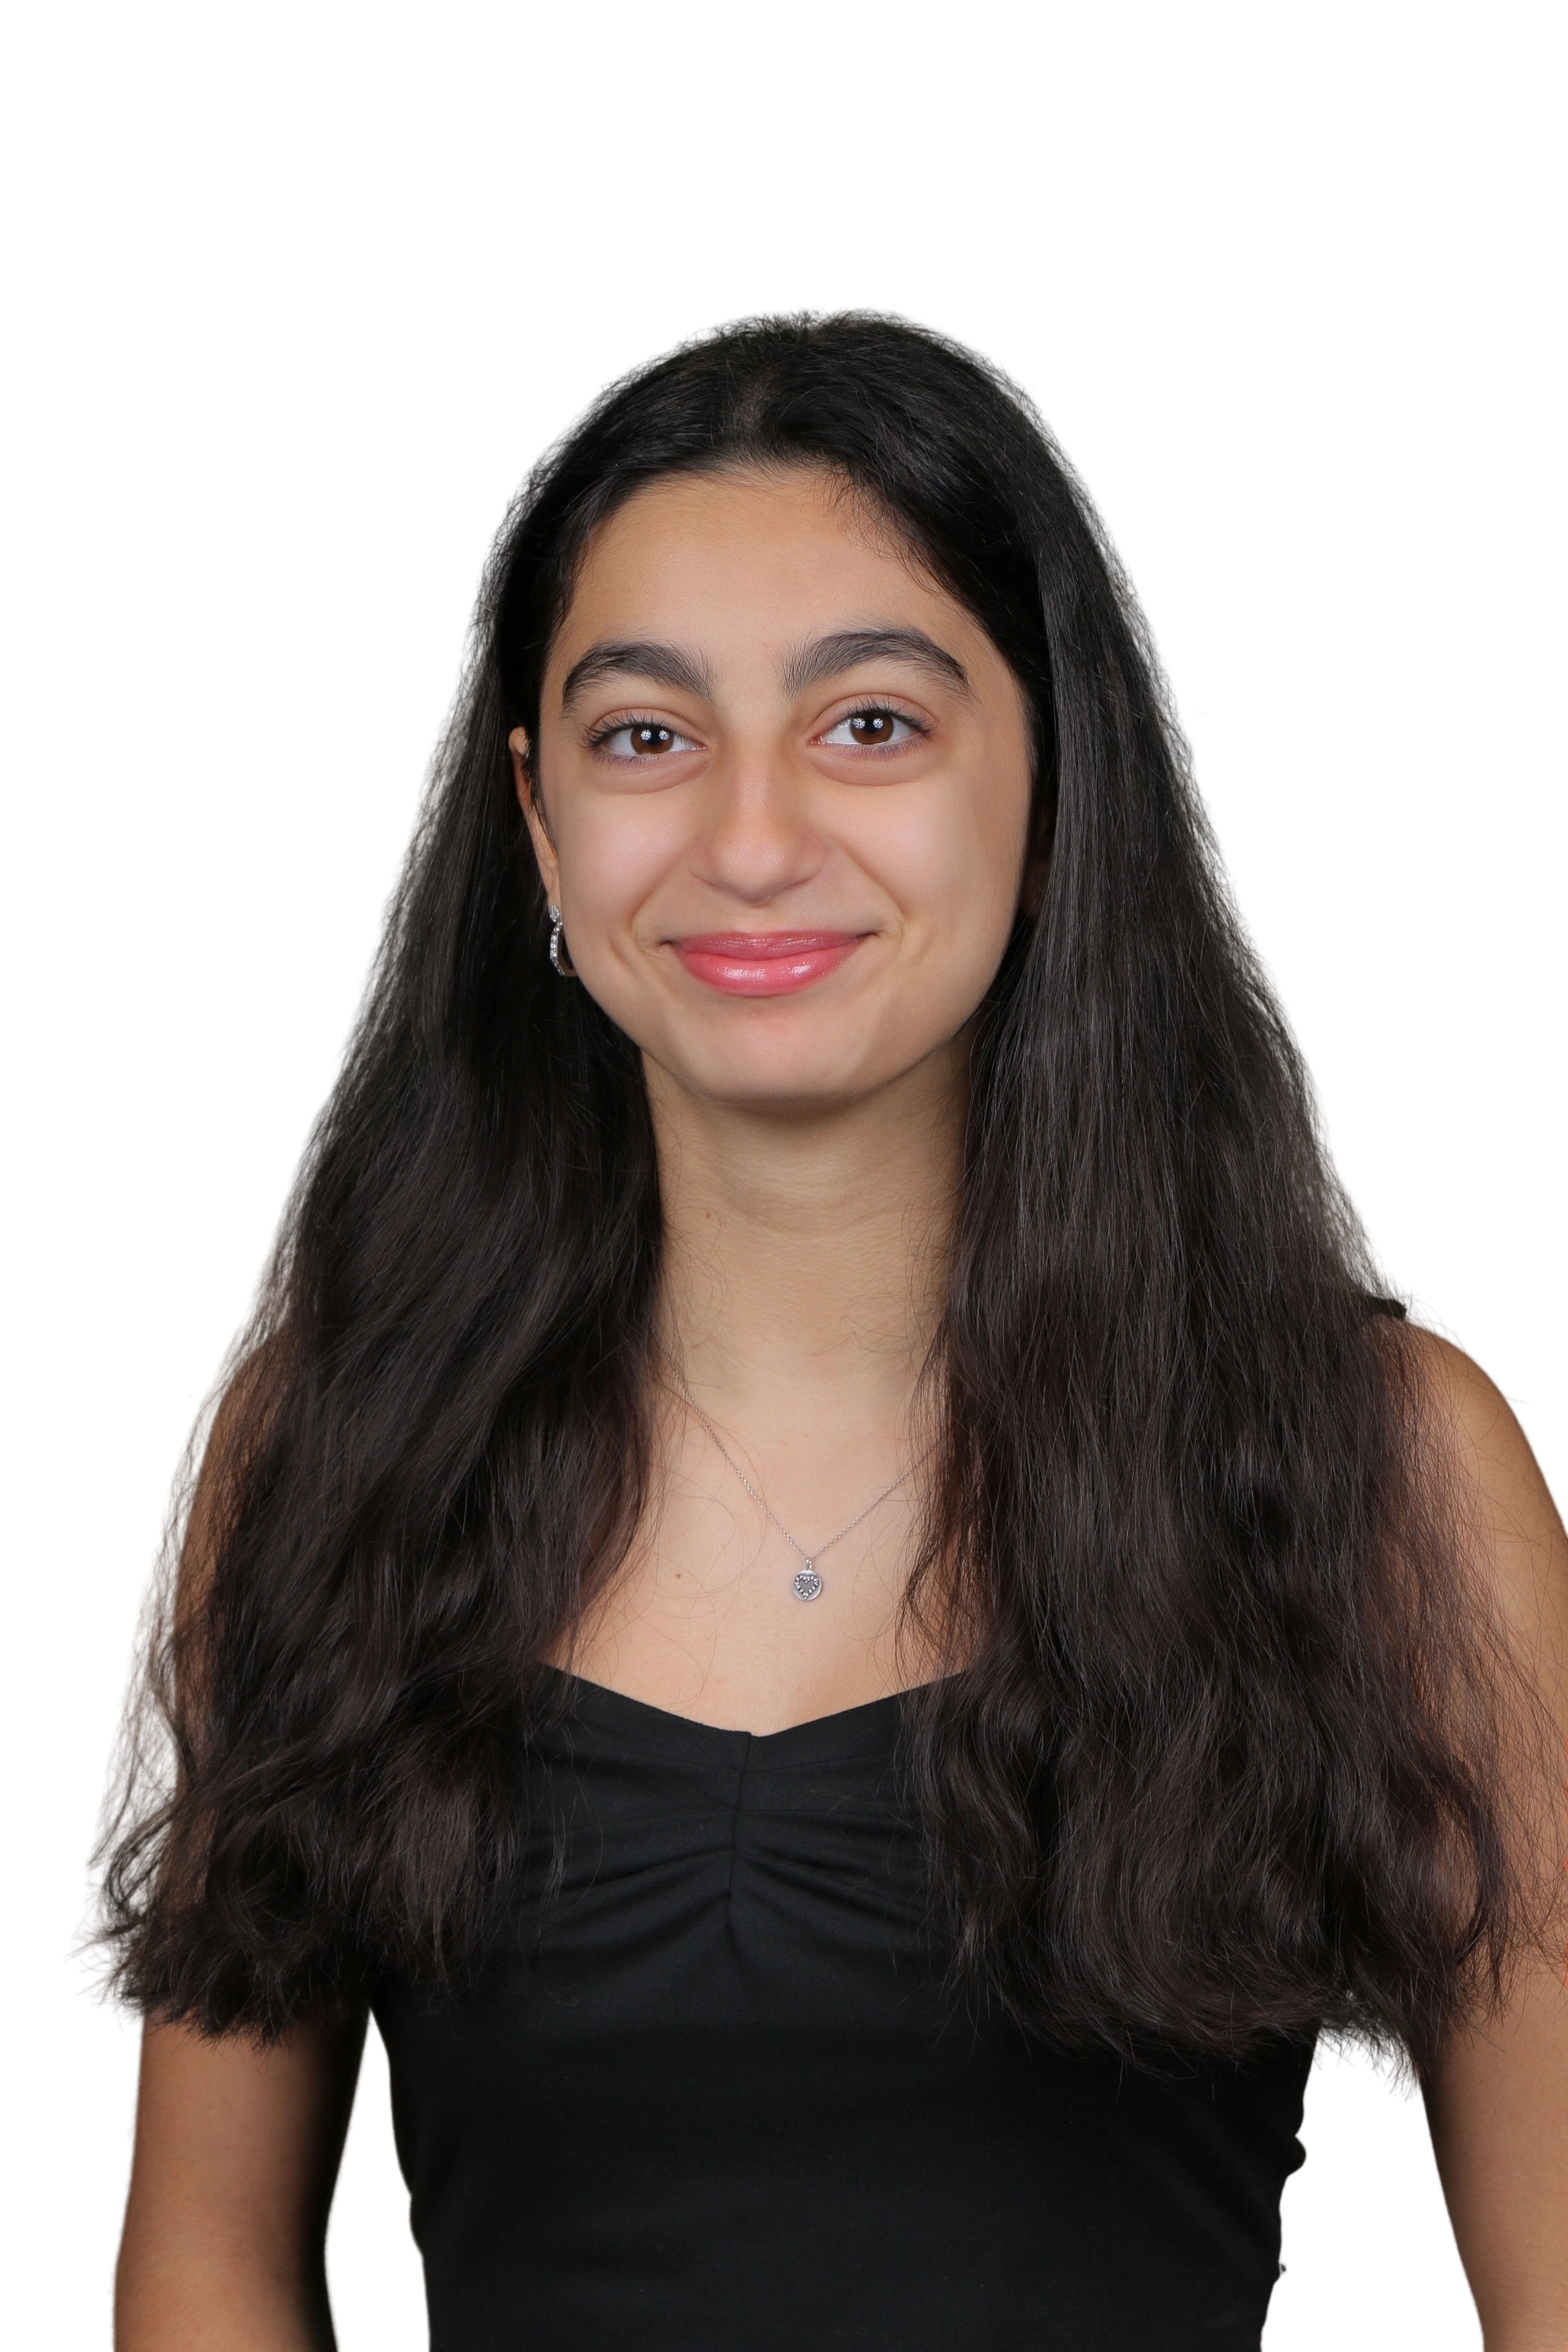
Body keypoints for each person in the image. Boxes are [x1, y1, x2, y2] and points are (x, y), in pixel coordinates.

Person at [67, 304, 1568, 2351]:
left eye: (871, 723)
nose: (754, 840)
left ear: (1056, 779)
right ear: (537, 821)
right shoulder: (326, 1442)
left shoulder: (1378, 1462)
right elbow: (204, 2274)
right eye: (645, 736)